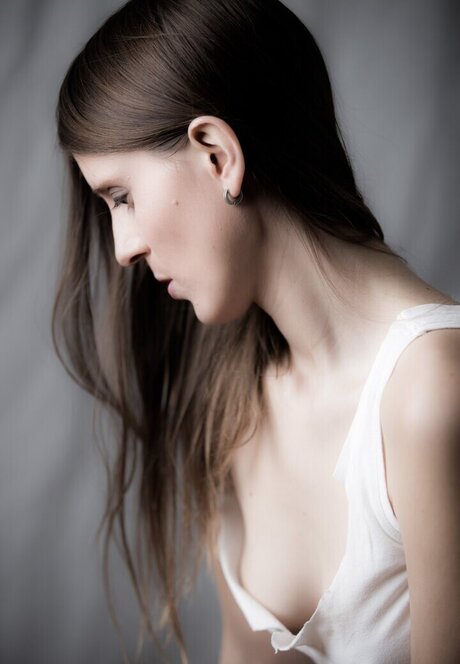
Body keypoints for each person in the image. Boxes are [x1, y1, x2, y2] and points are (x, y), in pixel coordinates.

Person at [52, 1, 460, 662]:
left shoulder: (431, 392)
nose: (123, 249)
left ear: (218, 156)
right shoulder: (234, 399)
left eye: (121, 198)